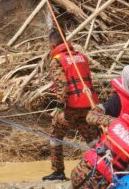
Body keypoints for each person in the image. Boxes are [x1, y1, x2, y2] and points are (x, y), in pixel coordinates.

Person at [42, 30, 99, 181]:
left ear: (53, 45)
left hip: (71, 107)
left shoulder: (57, 60)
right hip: (88, 104)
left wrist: (60, 107)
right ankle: (105, 166)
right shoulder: (82, 56)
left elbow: (62, 86)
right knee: (93, 139)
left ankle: (58, 171)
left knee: (55, 137)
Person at [71, 105, 129, 188]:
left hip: (77, 173)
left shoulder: (115, 121)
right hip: (98, 184)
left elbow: (90, 117)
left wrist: (99, 107)